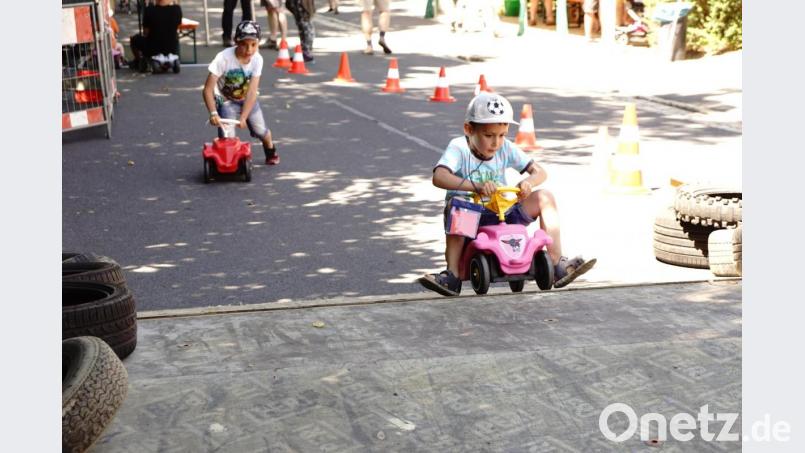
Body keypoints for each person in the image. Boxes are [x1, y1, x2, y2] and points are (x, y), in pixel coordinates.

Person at [417, 92, 596, 296]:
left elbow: (540, 172)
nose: (496, 143)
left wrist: (528, 183)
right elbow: (439, 176)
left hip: (503, 213)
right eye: (488, 136)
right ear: (469, 129)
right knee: (460, 205)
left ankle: (557, 265)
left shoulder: (506, 148)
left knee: (544, 196)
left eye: (502, 135)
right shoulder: (459, 147)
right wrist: (476, 186)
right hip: (472, 219)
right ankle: (453, 276)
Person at [203, 21, 279, 165]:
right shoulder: (223, 58)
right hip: (226, 100)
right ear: (236, 41)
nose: (249, 50)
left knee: (260, 130)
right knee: (227, 136)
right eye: (244, 44)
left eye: (253, 45)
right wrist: (213, 113)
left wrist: (244, 117)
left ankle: (270, 148)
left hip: (247, 98)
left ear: (258, 43)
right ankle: (229, 162)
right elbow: (207, 89)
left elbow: (252, 91)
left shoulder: (257, 59)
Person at [129, 0, 182, 70]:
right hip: (172, 46)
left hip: (153, 48)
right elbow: (178, 26)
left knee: (134, 39)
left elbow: (146, 32)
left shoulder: (149, 10)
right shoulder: (177, 9)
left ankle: (138, 61)